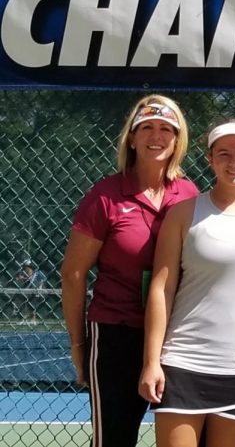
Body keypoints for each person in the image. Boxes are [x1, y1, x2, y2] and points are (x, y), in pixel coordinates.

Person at [61, 95, 198, 447]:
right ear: (132, 138)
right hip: (115, 334)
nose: (157, 136)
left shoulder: (189, 195)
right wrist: (79, 343)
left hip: (178, 337)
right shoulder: (105, 195)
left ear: (177, 140)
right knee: (115, 439)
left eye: (166, 128)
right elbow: (74, 274)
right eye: (147, 127)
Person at [139, 120, 235, 447]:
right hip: (181, 364)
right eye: (223, 154)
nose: (234, 162)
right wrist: (152, 362)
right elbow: (161, 289)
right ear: (210, 159)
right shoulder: (183, 214)